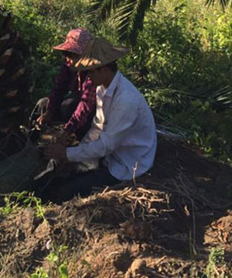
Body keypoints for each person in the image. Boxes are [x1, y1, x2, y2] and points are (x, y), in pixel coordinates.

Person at [42, 37, 157, 202]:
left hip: (128, 163)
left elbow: (107, 144)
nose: (88, 76)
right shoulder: (102, 88)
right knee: (64, 178)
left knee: (67, 193)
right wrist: (76, 157)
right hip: (112, 153)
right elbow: (97, 127)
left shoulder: (126, 100)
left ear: (104, 69)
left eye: (91, 71)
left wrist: (68, 154)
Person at [34, 28, 96, 143]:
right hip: (77, 101)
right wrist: (49, 111)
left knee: (69, 107)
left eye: (72, 55)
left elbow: (86, 104)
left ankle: (75, 143)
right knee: (43, 103)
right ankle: (39, 138)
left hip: (96, 111)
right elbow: (59, 88)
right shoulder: (69, 64)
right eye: (66, 54)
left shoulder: (95, 72)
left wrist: (68, 130)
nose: (68, 58)